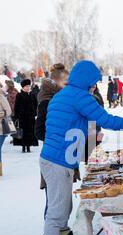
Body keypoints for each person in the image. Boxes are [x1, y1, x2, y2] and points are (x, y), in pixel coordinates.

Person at [39, 60, 123, 235]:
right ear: (86, 81)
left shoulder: (61, 95)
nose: (94, 87)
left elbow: (70, 125)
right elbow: (108, 120)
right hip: (57, 161)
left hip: (57, 159)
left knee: (65, 207)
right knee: (57, 211)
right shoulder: (80, 96)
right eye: (93, 83)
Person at [35, 64, 70, 222]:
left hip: (64, 155)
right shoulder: (47, 101)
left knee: (63, 201)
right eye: (66, 83)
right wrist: (58, 138)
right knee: (54, 202)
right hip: (53, 155)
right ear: (56, 82)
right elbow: (39, 131)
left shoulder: (62, 98)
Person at [13, 79, 38, 153]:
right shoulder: (19, 95)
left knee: (30, 132)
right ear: (23, 87)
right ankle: (23, 147)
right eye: (26, 86)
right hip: (22, 118)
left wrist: (34, 113)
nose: (28, 87)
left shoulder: (32, 95)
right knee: (23, 132)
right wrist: (17, 117)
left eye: (29, 86)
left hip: (30, 118)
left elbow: (35, 105)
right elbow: (16, 107)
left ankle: (29, 146)